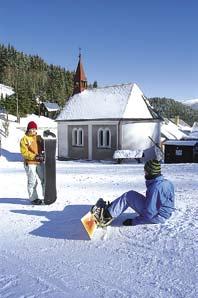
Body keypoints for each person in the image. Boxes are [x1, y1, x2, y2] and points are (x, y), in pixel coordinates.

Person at [91, 159, 175, 226]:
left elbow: (150, 212)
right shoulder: (166, 182)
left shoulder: (156, 188)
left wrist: (134, 221)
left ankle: (105, 217)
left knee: (129, 196)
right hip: (164, 214)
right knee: (131, 195)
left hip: (157, 216)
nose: (144, 173)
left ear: (150, 172)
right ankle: (111, 208)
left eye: (145, 171)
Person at [20, 121, 45, 205]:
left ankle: (47, 195)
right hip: (30, 162)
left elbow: (43, 148)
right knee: (33, 181)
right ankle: (33, 198)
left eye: (34, 129)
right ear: (28, 129)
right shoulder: (24, 139)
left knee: (44, 179)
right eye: (31, 129)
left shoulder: (38, 138)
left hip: (39, 162)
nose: (33, 131)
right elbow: (24, 152)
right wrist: (34, 156)